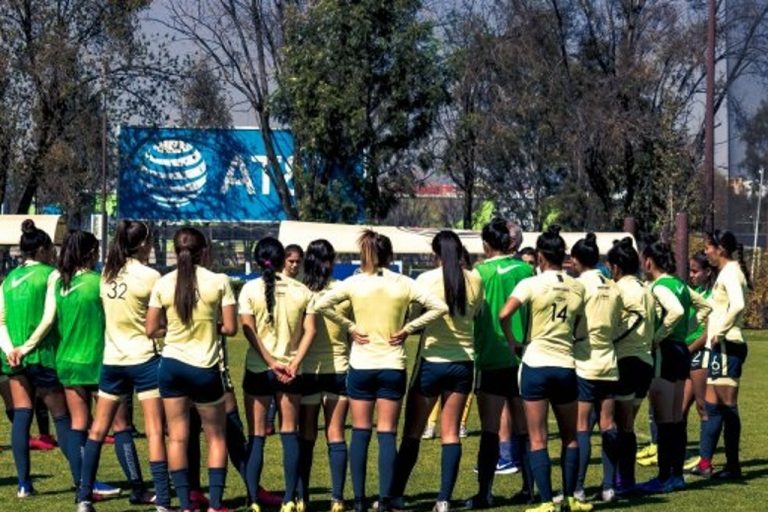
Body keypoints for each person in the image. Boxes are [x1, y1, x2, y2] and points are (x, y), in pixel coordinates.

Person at [314, 229, 448, 512]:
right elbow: (439, 306)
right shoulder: (403, 283)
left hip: (362, 366)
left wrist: (350, 327)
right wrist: (409, 329)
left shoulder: (354, 282)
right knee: (386, 433)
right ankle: (386, 500)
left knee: (361, 432)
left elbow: (321, 304)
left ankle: (360, 501)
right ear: (389, 255)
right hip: (392, 365)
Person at [75, 221, 170, 512]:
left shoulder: (106, 274)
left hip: (113, 360)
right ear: (142, 244)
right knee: (154, 430)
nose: (152, 245)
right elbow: (161, 321)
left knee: (97, 430)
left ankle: (83, 499)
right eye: (150, 240)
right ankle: (163, 502)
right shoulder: (151, 276)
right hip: (144, 359)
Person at [498, 225, 591, 512]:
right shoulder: (577, 286)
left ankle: (547, 502)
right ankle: (573, 498)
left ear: (539, 256)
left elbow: (504, 314)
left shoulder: (531, 283)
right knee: (571, 437)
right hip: (565, 366)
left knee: (537, 437)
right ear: (563, 256)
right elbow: (581, 330)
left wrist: (514, 340)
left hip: (535, 364)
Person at [390, 231, 483, 512]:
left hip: (432, 361)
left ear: (436, 254)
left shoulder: (426, 279)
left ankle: (396, 494)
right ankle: (443, 499)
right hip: (464, 364)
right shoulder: (475, 279)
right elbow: (477, 313)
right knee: (451, 433)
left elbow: (415, 316)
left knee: (413, 433)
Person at [146, 227, 237, 512]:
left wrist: (172, 328)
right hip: (204, 368)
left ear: (174, 251)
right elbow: (231, 328)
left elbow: (151, 329)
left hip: (171, 365)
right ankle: (216, 504)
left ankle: (185, 504)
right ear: (204, 250)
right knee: (216, 437)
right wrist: (209, 326)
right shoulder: (219, 281)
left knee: (177, 437)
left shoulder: (163, 283)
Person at [239, 237, 316, 512]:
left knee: (257, 435)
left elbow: (248, 330)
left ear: (259, 260)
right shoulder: (301, 290)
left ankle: (253, 500)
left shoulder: (249, 288)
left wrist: (270, 362)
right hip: (291, 371)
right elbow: (311, 331)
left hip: (259, 369)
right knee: (289, 433)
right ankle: (289, 500)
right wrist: (293, 362)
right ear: (284, 258)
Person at [0, 220, 72, 498]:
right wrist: (28, 347)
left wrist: (11, 349)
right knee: (62, 417)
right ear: (41, 249)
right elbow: (48, 318)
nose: (53, 254)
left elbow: (1, 321)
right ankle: (85, 481)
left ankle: (23, 484)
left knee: (21, 415)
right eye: (51, 249)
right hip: (41, 356)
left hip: (14, 358)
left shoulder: (9, 280)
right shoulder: (51, 275)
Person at [467, 218, 534, 509]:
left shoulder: (480, 272)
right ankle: (530, 488)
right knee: (525, 429)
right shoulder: (527, 269)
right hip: (523, 357)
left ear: (485, 244)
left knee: (490, 429)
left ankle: (485, 493)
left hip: (492, 355)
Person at [637, 241, 710, 494]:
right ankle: (675, 476)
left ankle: (664, 476)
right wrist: (687, 331)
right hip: (680, 351)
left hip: (666, 352)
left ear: (649, 261)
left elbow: (676, 311)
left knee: (664, 418)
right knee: (676, 417)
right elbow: (705, 307)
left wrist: (658, 336)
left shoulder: (659, 286)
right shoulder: (680, 284)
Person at [296, 239, 350, 512]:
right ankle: (337, 499)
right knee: (336, 433)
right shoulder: (342, 291)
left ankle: (302, 498)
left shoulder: (299, 290)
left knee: (306, 435)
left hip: (306, 372)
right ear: (331, 261)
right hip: (339, 370)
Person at [692, 230, 750, 479]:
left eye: (708, 247)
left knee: (727, 407)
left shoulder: (731, 273)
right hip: (720, 347)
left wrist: (720, 332)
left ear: (720, 250)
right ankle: (705, 463)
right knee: (712, 406)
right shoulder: (725, 273)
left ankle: (733, 467)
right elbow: (720, 306)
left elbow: (737, 304)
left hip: (728, 346)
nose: (706, 251)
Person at [570, 234, 622, 503]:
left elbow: (571, 319)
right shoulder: (612, 285)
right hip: (609, 362)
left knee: (582, 427)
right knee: (608, 425)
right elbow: (620, 321)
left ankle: (578, 487)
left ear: (577, 260)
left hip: (585, 360)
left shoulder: (578, 286)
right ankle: (608, 486)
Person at [605, 238, 655, 494]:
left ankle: (622, 481)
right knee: (625, 424)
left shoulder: (623, 289)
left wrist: (611, 338)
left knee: (620, 425)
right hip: (645, 362)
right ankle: (623, 479)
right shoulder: (646, 288)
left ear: (616, 267)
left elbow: (635, 316)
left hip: (627, 361)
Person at [682, 251, 716, 470]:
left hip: (700, 353)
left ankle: (706, 461)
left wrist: (686, 350)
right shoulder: (693, 292)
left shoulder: (712, 296)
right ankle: (678, 453)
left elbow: (706, 333)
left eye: (695, 271)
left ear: (708, 272)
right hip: (687, 353)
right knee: (680, 409)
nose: (692, 275)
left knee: (703, 407)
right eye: (690, 271)